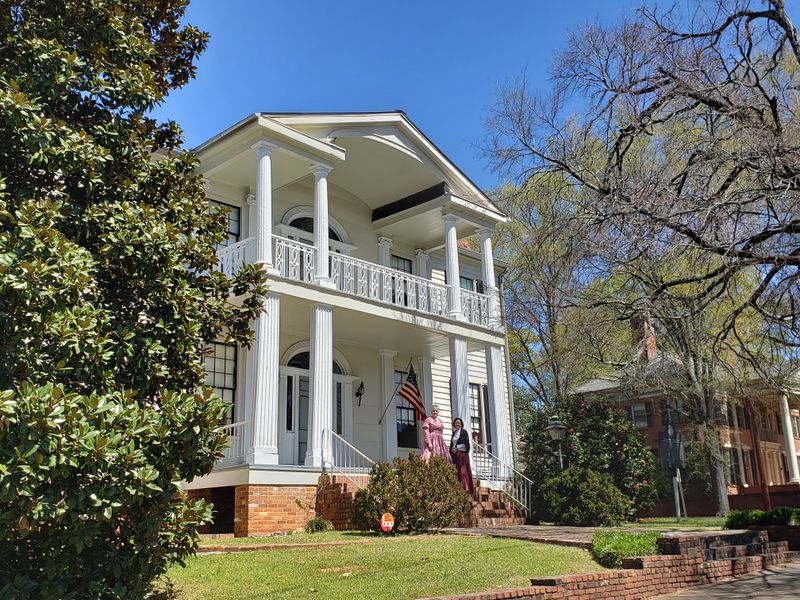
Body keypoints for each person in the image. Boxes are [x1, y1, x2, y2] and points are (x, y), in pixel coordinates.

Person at [450, 418, 474, 494]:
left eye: (459, 423)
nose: (457, 424)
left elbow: (466, 444)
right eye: (456, 423)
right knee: (456, 471)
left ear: (461, 424)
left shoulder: (464, 432)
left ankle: (466, 488)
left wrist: (457, 448)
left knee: (463, 471)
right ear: (454, 424)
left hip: (462, 455)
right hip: (455, 455)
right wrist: (451, 452)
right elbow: (452, 444)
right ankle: (458, 488)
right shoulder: (454, 433)